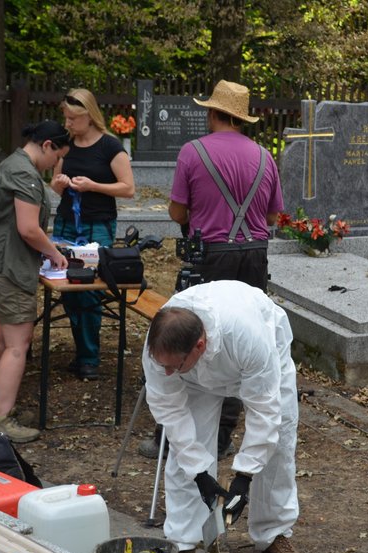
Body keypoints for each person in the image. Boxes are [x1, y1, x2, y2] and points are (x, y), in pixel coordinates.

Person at [139, 79, 284, 460]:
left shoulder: (193, 152)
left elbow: (176, 212)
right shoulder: (266, 156)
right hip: (253, 254)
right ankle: (222, 434)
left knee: (186, 332)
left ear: (213, 112)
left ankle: (169, 435)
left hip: (210, 254)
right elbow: (272, 215)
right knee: (240, 336)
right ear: (241, 118)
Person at [142, 280, 305, 553]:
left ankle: (273, 534)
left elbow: (264, 411)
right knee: (182, 456)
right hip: (196, 377)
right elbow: (170, 413)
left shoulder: (248, 336)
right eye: (163, 365)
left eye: (172, 366)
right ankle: (184, 547)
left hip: (259, 359)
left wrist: (243, 477)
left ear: (199, 346)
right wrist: (200, 473)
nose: (166, 373)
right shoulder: (160, 350)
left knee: (280, 443)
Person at [0, 120, 70, 443]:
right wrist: (54, 253)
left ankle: (3, 408)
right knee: (17, 345)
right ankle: (2, 420)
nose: (55, 165)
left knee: (0, 342)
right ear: (47, 146)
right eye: (56, 158)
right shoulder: (24, 173)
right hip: (7, 269)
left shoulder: (11, 164)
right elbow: (28, 229)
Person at [51, 89, 135, 380]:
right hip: (65, 223)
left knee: (88, 290)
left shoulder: (110, 147)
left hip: (97, 226)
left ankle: (89, 356)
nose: (68, 124)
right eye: (66, 118)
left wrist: (93, 186)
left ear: (89, 115)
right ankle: (80, 348)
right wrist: (61, 184)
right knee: (64, 284)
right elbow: (53, 184)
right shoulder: (67, 145)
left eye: (73, 118)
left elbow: (128, 188)